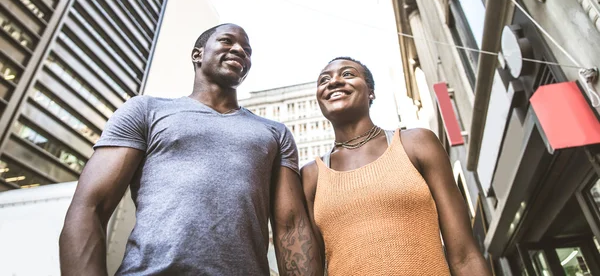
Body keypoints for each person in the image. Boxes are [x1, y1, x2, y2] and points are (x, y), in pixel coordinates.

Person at [60, 23, 322, 276]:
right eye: (227, 41)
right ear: (198, 54)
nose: (240, 50)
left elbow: (291, 228)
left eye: (247, 49)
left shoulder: (275, 133)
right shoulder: (146, 111)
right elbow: (90, 208)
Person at [301, 57, 492, 275]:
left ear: (370, 91)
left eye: (347, 74)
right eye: (324, 80)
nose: (333, 82)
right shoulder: (311, 175)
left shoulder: (417, 143)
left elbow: (465, 256)